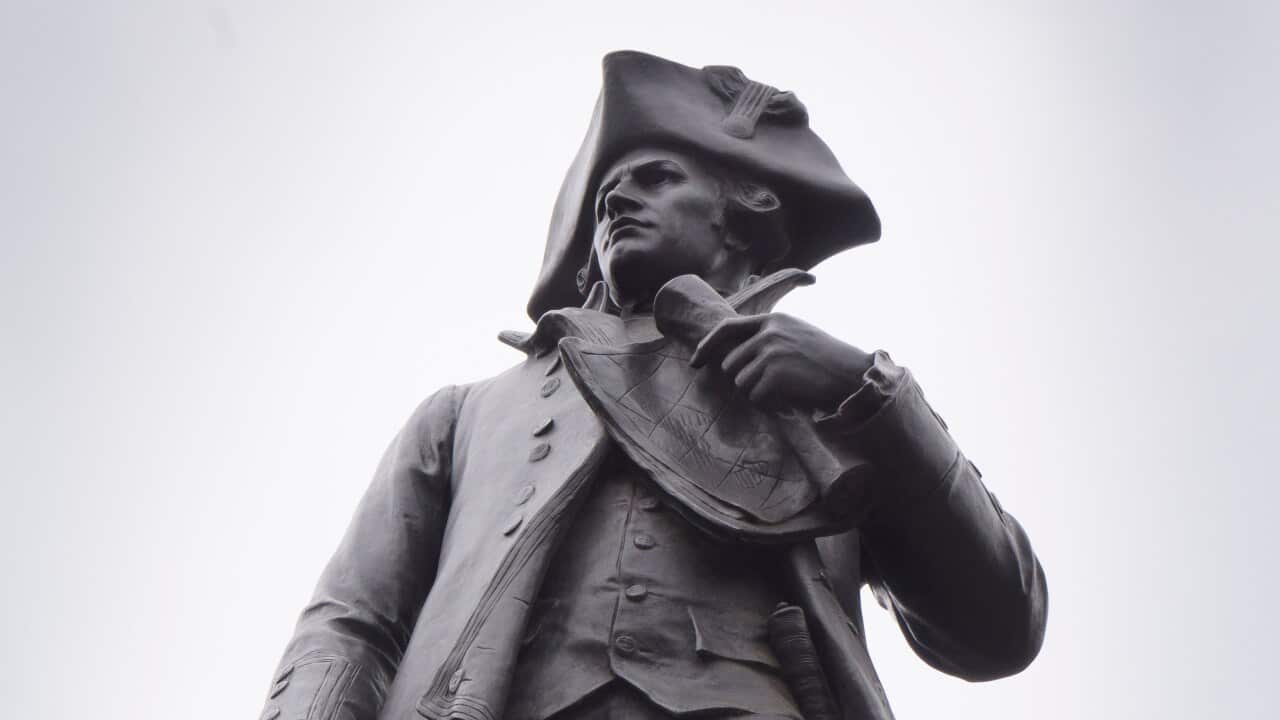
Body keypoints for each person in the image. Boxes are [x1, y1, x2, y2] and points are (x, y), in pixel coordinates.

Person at [260, 51, 1047, 720]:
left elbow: (999, 628)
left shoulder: (836, 403)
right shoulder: (467, 416)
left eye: (658, 177)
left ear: (748, 208)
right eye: (608, 194)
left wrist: (862, 389)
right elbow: (351, 623)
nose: (617, 201)